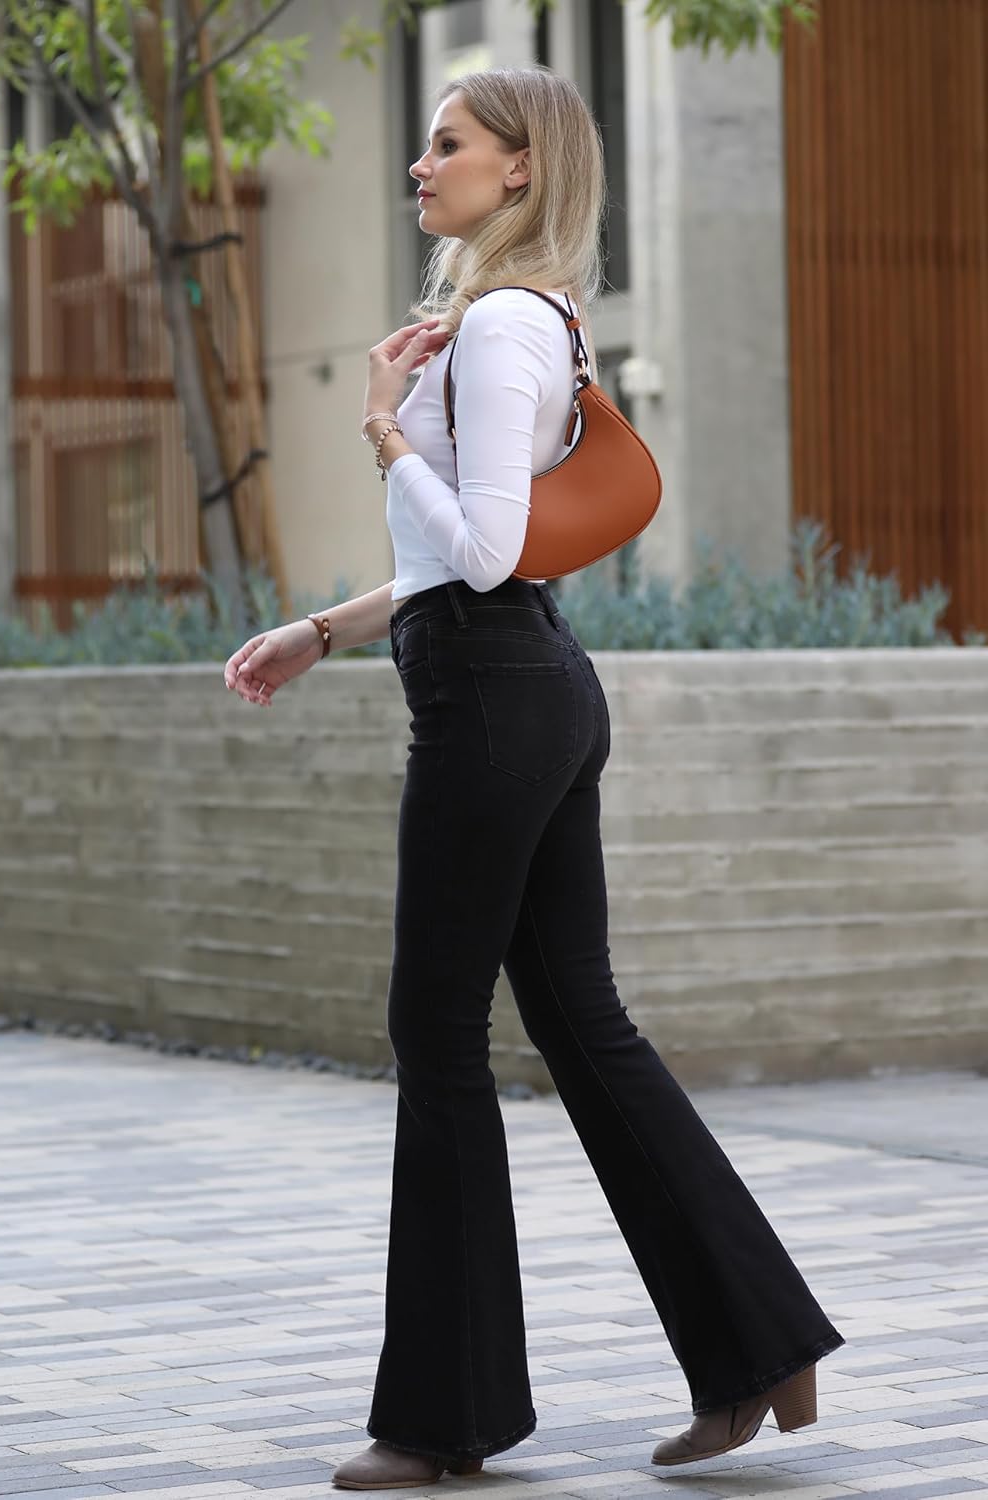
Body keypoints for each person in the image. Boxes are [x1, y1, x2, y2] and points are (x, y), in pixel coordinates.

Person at [223, 64, 845, 1492]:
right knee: (579, 1021)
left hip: (495, 698)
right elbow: (456, 560)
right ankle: (761, 1344)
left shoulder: (505, 323)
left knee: (437, 1027)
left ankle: (441, 1423)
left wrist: (383, 425)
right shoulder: (514, 319)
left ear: (519, 169)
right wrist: (324, 630)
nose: (420, 163)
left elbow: (492, 551)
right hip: (514, 680)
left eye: (447, 143)